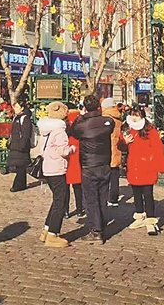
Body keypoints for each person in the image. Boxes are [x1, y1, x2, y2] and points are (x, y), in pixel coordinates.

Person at [69, 93, 116, 244]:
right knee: (102, 197)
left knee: (91, 198)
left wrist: (81, 116)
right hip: (104, 163)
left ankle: (96, 230)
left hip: (89, 165)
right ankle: (101, 225)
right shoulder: (107, 122)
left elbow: (73, 131)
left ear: (85, 108)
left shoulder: (83, 125)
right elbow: (110, 124)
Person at [119, 106, 164, 235]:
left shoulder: (150, 130)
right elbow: (120, 147)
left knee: (148, 194)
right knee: (137, 194)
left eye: (137, 115)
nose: (134, 118)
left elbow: (158, 148)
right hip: (133, 167)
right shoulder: (127, 128)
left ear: (142, 116)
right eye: (133, 115)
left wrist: (160, 165)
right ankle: (140, 216)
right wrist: (124, 142)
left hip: (147, 167)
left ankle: (151, 221)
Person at [37, 101, 76, 248]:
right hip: (57, 169)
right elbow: (63, 151)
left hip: (48, 167)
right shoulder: (59, 131)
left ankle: (47, 229)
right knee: (61, 201)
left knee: (57, 199)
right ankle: (53, 234)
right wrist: (72, 149)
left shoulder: (46, 129)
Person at [7, 95, 33, 192]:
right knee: (20, 166)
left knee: (21, 166)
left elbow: (26, 133)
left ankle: (18, 185)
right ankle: (22, 184)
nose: (15, 109)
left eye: (17, 107)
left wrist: (22, 145)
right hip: (16, 144)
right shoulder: (16, 117)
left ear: (22, 108)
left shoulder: (25, 118)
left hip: (21, 146)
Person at [101, 97, 123, 207]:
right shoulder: (118, 118)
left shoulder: (105, 118)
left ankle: (105, 197)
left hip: (106, 150)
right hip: (116, 150)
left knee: (105, 177)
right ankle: (114, 198)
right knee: (115, 176)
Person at [66, 104, 85, 219]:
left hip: (67, 156)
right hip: (78, 156)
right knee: (78, 186)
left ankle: (65, 210)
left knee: (65, 186)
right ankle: (79, 208)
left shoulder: (64, 121)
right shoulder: (81, 120)